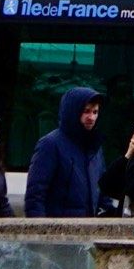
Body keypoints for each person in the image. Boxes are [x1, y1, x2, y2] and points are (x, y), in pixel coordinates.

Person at [25, 87, 106, 218]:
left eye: (95, 112)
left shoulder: (94, 146)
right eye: (86, 111)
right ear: (73, 111)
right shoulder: (50, 144)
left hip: (88, 231)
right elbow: (35, 197)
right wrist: (42, 234)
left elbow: (102, 191)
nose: (91, 117)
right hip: (59, 232)